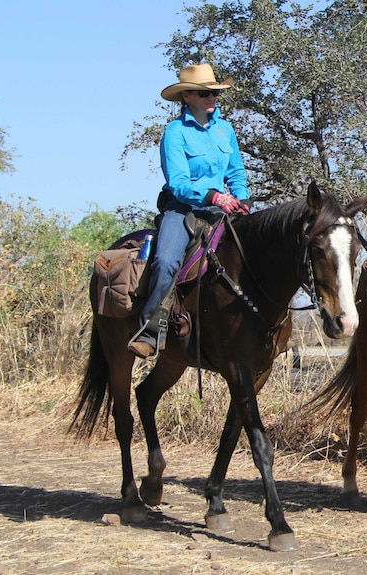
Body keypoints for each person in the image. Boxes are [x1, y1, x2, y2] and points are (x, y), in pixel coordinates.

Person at [128, 63, 251, 359]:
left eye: (214, 92)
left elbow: (236, 172)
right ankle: (151, 329)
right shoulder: (175, 133)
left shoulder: (225, 130)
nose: (211, 98)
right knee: (167, 261)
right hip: (184, 211)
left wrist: (243, 200)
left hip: (223, 211)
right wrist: (215, 197)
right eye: (203, 93)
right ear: (187, 95)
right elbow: (179, 182)